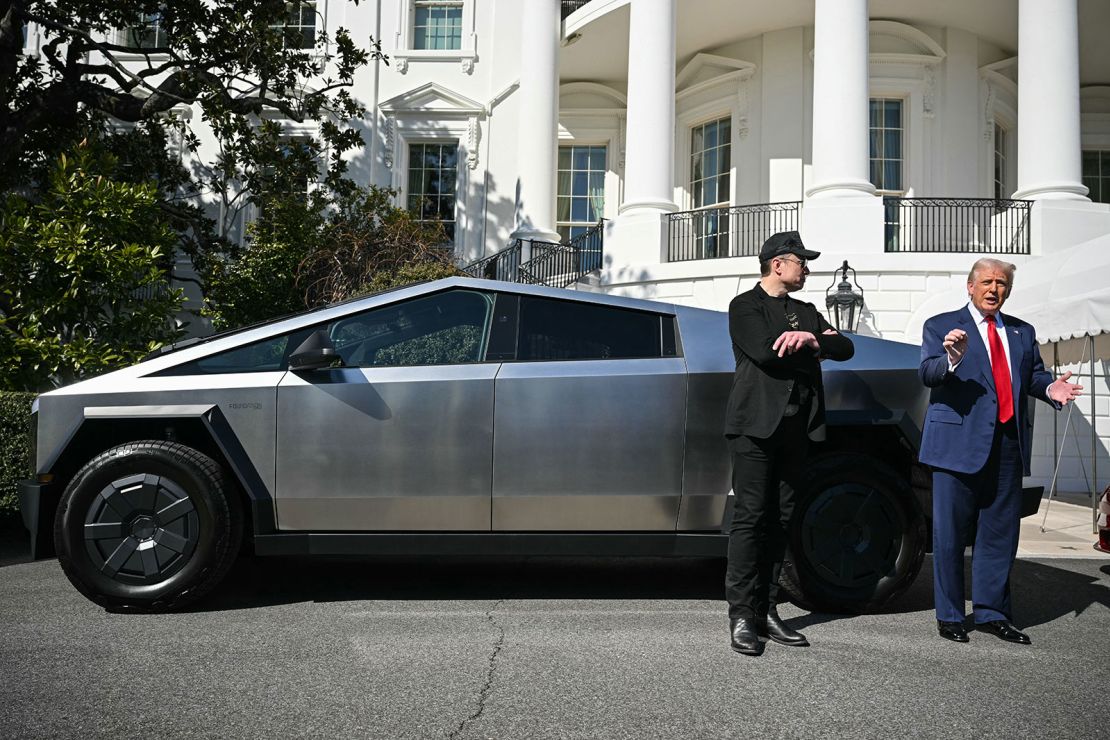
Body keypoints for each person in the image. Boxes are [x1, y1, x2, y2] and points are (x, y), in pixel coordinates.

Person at [919, 258, 1083, 644]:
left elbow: (1034, 376)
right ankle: (951, 616)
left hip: (1008, 445)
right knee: (951, 535)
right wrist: (951, 359)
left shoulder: (1022, 332)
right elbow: (927, 373)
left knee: (1000, 534)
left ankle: (993, 613)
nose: (995, 289)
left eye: (1002, 284)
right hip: (956, 446)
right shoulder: (941, 325)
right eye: (988, 282)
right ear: (971, 286)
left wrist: (1048, 389)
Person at [724, 231, 854, 656]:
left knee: (782, 519)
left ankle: (767, 609)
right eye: (802, 261)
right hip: (755, 426)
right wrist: (813, 346)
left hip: (800, 428)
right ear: (778, 264)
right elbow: (764, 353)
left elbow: (846, 347)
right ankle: (742, 615)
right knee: (750, 519)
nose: (808, 268)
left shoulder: (807, 310)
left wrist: (815, 339)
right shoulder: (745, 306)